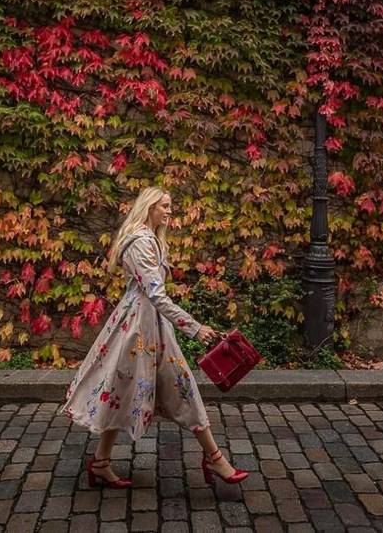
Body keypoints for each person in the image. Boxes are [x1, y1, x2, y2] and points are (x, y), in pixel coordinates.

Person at [59, 186, 249, 488]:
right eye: (165, 206)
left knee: (165, 387)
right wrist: (194, 327)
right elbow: (156, 295)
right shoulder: (140, 242)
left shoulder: (149, 240)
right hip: (139, 329)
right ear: (149, 207)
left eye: (170, 206)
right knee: (131, 390)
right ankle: (212, 459)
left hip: (149, 326)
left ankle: (102, 462)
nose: (170, 211)